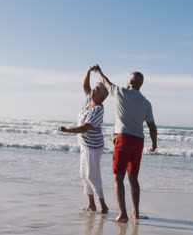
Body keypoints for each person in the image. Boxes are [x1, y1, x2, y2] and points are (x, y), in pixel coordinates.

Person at [93, 64, 157, 223]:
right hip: (138, 141)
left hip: (124, 139)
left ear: (130, 82)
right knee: (133, 178)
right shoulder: (146, 103)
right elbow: (151, 126)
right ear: (140, 84)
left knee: (118, 178)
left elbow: (105, 82)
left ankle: (122, 214)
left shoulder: (121, 92)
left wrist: (98, 70)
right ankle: (135, 212)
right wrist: (154, 143)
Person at [58, 65, 109, 214]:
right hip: (84, 145)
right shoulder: (89, 100)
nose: (93, 91)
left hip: (93, 147)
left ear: (103, 96)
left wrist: (67, 130)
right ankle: (91, 205)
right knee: (83, 174)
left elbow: (85, 127)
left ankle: (103, 206)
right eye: (93, 89)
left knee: (92, 176)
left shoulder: (98, 109)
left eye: (97, 90)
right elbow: (85, 86)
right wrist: (88, 72)